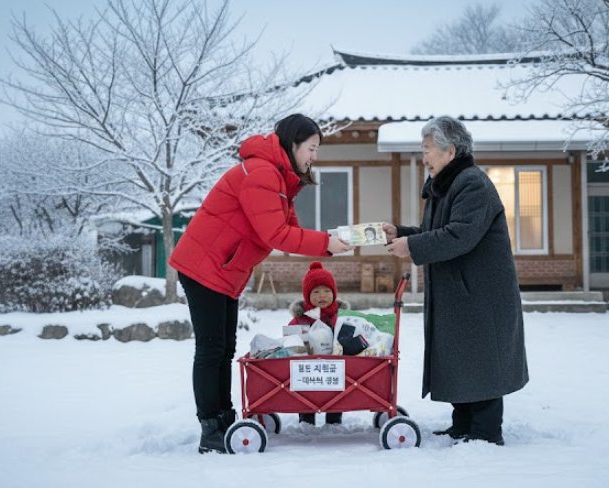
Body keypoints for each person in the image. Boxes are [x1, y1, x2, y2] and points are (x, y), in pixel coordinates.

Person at [169, 114, 353, 454]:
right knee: (211, 349)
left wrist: (328, 241)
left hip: (225, 268)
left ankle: (225, 418)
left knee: (224, 348)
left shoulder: (281, 178)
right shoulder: (262, 173)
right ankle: (211, 428)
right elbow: (276, 234)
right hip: (205, 265)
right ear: (293, 144)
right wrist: (325, 244)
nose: (314, 156)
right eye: (311, 148)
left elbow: (290, 230)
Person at [384, 116, 528, 446]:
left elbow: (459, 235)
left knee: (481, 361)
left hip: (480, 294)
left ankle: (486, 432)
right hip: (459, 292)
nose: (424, 157)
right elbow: (436, 232)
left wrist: (412, 246)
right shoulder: (447, 185)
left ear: (450, 151)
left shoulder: (473, 184)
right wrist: (402, 233)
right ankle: (462, 424)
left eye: (427, 150)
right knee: (460, 359)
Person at [287, 261, 348, 425]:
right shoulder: (301, 319)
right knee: (305, 391)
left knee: (336, 392)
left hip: (335, 370)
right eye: (316, 292)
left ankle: (334, 418)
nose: (322, 296)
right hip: (307, 371)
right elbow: (290, 340)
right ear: (307, 295)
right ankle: (306, 418)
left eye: (327, 291)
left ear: (334, 293)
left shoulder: (341, 317)